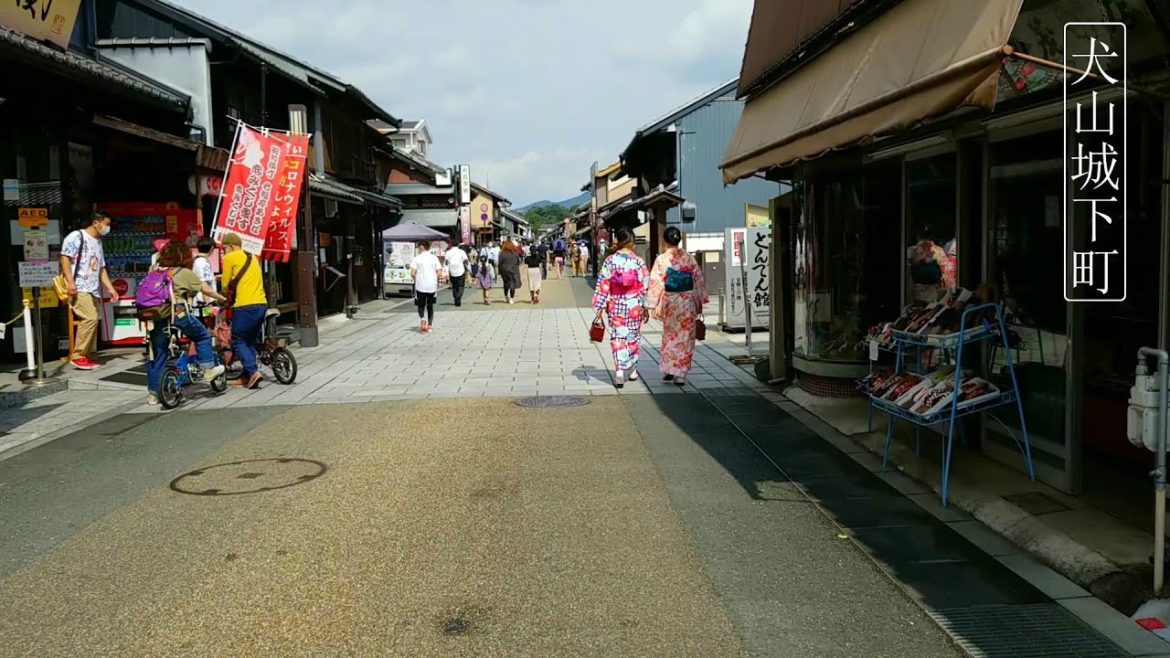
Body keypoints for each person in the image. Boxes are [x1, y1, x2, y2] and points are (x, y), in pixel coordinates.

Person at [145, 240, 227, 405]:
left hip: (156, 317)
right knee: (202, 335)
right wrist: (223, 299)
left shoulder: (153, 270)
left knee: (158, 353)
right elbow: (206, 289)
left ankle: (154, 393)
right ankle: (207, 369)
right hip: (178, 314)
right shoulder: (183, 272)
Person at [647, 226, 709, 386]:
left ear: (665, 240)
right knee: (686, 337)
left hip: (670, 302)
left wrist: (652, 304)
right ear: (678, 239)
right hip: (687, 301)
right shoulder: (689, 258)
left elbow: (656, 283)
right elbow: (698, 280)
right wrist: (701, 300)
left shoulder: (661, 259)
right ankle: (680, 373)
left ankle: (669, 368)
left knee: (670, 335)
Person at [60, 212, 120, 370]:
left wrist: (110, 288)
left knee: (94, 320)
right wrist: (70, 282)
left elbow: (101, 268)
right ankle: (78, 355)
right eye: (106, 224)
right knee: (90, 318)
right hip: (79, 286)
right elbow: (65, 258)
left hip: (93, 288)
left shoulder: (98, 242)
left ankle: (89, 353)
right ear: (96, 223)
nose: (108, 227)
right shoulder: (76, 236)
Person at [591, 226, 650, 388]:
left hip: (616, 303)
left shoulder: (610, 261)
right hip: (634, 305)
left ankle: (619, 372)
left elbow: (603, 284)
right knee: (633, 337)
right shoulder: (638, 261)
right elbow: (645, 285)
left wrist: (600, 305)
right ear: (631, 243)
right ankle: (631, 369)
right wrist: (645, 306)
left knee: (618, 337)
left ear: (618, 242)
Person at [220, 233, 267, 388]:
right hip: (261, 304)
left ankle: (253, 372)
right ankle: (246, 377)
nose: (223, 251)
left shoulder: (230, 258)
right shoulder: (252, 257)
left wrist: (222, 295)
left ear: (231, 246)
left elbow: (226, 285)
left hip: (244, 305)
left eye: (224, 248)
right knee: (249, 341)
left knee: (238, 339)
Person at [411, 240, 442, 333]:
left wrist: (418, 279)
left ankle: (423, 318)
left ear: (421, 247)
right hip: (432, 286)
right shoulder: (434, 258)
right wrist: (434, 279)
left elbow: (412, 273)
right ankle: (430, 325)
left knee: (421, 305)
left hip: (420, 286)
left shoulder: (417, 258)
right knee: (430, 305)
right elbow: (439, 272)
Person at [192, 237, 217, 311]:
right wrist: (208, 304)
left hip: (199, 303)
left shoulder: (197, 261)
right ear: (212, 248)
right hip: (203, 304)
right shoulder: (203, 263)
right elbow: (205, 285)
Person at [444, 242, 471, 307]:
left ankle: (456, 297)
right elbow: (466, 261)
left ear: (451, 245)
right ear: (458, 245)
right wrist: (469, 270)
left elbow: (446, 263)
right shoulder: (461, 252)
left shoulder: (448, 252)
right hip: (460, 271)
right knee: (461, 286)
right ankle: (458, 297)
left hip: (452, 272)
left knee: (454, 286)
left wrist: (446, 272)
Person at [497, 240, 523, 305]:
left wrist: (499, 271)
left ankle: (506, 297)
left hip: (504, 270)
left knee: (505, 283)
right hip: (513, 270)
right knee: (512, 283)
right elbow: (518, 262)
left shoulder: (502, 253)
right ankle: (511, 298)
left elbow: (500, 263)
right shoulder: (515, 253)